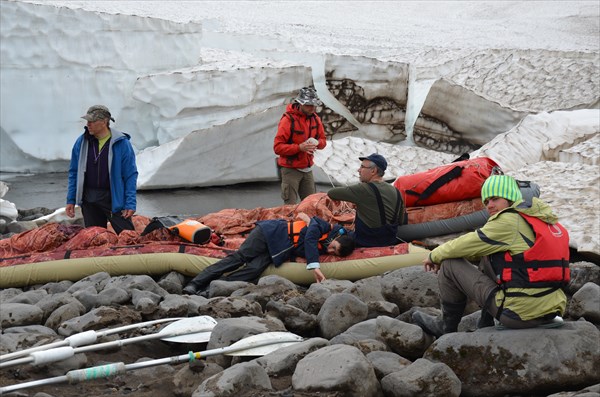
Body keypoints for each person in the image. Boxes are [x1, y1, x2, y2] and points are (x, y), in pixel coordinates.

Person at [412, 174, 570, 337]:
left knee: (450, 264)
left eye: (495, 199)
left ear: (510, 198)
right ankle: (484, 323)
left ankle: (445, 327)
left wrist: (434, 256)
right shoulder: (546, 222)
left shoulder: (508, 221)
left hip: (519, 315)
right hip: (552, 312)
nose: (490, 205)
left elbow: (465, 244)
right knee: (489, 255)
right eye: (486, 202)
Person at [182, 213, 355, 296]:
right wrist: (314, 266)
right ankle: (195, 283)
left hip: (277, 249)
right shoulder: (322, 226)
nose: (329, 250)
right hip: (270, 233)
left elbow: (303, 246)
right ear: (336, 238)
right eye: (333, 247)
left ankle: (212, 288)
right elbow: (309, 237)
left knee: (254, 270)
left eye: (334, 253)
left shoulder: (321, 245)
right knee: (240, 258)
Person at [66, 105, 138, 235]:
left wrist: (130, 203)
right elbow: (74, 173)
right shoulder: (81, 142)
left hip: (114, 198)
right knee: (95, 238)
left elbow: (130, 175)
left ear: (104, 121)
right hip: (89, 199)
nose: (88, 124)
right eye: (87, 121)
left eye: (92, 121)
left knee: (128, 236)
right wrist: (70, 200)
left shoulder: (121, 143)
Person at [327, 153, 405, 247]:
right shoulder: (396, 191)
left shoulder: (364, 189)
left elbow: (332, 193)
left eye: (362, 167)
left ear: (373, 171)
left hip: (366, 242)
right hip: (389, 240)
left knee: (332, 231)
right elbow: (401, 221)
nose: (358, 170)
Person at [274, 87, 327, 205]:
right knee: (290, 207)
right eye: (308, 105)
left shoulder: (315, 119)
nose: (312, 108)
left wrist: (317, 143)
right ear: (300, 103)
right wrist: (299, 148)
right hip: (290, 170)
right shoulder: (288, 120)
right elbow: (277, 147)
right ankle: (291, 224)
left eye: (314, 105)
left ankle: (309, 224)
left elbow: (323, 141)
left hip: (307, 170)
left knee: (312, 205)